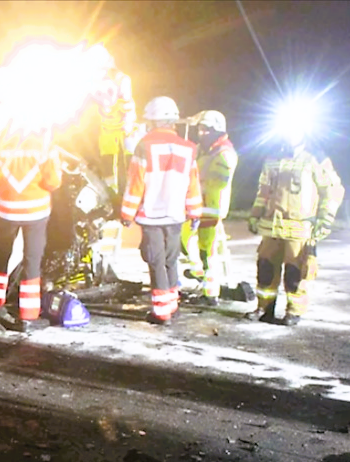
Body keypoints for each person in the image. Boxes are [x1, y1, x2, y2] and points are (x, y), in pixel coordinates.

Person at [244, 125, 344, 326]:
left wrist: (326, 219)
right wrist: (255, 215)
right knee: (265, 269)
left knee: (295, 272)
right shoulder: (272, 158)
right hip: (272, 225)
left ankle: (293, 311)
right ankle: (264, 307)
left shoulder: (315, 158)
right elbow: (263, 192)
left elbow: (333, 190)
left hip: (299, 227)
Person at [120, 96, 203, 326]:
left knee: (155, 261)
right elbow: (193, 183)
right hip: (176, 215)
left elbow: (135, 183)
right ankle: (172, 306)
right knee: (170, 259)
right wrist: (195, 212)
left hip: (151, 215)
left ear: (153, 121)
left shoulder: (144, 146)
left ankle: (161, 312)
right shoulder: (189, 148)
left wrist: (127, 214)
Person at [0, 121, 63, 331]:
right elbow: (53, 182)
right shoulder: (45, 146)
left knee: (1, 256)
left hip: (7, 211)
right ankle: (27, 316)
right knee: (31, 261)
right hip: (36, 213)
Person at [184, 110, 239, 306]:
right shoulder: (203, 149)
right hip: (197, 206)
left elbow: (217, 182)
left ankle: (210, 294)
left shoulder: (224, 154)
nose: (202, 133)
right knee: (186, 241)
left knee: (207, 251)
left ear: (217, 130)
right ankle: (198, 272)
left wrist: (193, 186)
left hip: (211, 208)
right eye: (200, 129)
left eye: (206, 129)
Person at [90, 45, 136, 195]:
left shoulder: (122, 79)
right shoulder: (93, 79)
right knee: (108, 164)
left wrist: (127, 126)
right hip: (107, 128)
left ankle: (130, 194)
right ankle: (112, 194)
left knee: (128, 164)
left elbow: (126, 104)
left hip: (125, 128)